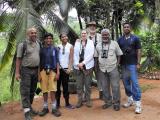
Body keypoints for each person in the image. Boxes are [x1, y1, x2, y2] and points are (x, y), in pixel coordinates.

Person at [94, 29, 123, 111]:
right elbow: (96, 57)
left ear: (109, 35)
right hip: (102, 69)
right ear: (101, 36)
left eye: (106, 35)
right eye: (103, 35)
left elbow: (119, 55)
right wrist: (96, 67)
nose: (105, 36)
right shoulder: (98, 45)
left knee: (115, 86)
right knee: (105, 87)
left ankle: (116, 103)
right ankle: (108, 102)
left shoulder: (114, 43)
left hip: (113, 68)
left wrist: (117, 65)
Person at [15, 27, 40, 120]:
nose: (34, 34)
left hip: (35, 70)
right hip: (26, 71)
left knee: (32, 91)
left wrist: (38, 73)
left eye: (35, 33)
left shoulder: (38, 44)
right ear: (28, 34)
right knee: (25, 91)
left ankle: (30, 108)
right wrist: (17, 73)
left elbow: (39, 59)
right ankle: (26, 113)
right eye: (32, 33)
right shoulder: (22, 45)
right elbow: (18, 59)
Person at [118, 22, 142, 114]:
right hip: (123, 65)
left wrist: (138, 63)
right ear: (123, 29)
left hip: (132, 64)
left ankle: (138, 104)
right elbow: (118, 52)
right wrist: (118, 63)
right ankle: (130, 99)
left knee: (135, 84)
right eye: (125, 27)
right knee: (126, 83)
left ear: (130, 28)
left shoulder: (135, 38)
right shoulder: (120, 39)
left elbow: (139, 51)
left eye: (128, 27)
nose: (126, 28)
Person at [38, 33, 61, 117]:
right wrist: (39, 74)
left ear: (52, 39)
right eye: (47, 38)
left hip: (53, 71)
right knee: (44, 90)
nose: (49, 40)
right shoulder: (41, 50)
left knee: (52, 90)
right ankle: (45, 107)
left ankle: (54, 108)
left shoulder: (55, 49)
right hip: (43, 71)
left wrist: (58, 72)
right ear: (44, 40)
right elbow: (39, 63)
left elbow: (58, 61)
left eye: (50, 38)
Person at [74, 29, 94, 108]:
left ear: (87, 34)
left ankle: (88, 100)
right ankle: (80, 100)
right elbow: (75, 54)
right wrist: (77, 64)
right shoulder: (77, 42)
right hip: (78, 67)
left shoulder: (90, 42)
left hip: (88, 66)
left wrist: (83, 63)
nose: (83, 35)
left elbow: (91, 54)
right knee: (79, 85)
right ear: (80, 34)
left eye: (85, 33)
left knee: (88, 84)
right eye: (82, 33)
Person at [56, 33, 75, 109]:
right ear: (60, 38)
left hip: (66, 69)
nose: (64, 37)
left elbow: (71, 58)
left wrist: (69, 68)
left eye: (65, 36)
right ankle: (57, 104)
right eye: (63, 37)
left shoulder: (70, 46)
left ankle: (67, 103)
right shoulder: (58, 46)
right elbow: (57, 59)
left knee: (65, 86)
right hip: (58, 69)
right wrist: (57, 69)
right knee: (57, 87)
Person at [86, 21, 103, 99]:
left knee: (99, 77)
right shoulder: (85, 36)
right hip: (88, 60)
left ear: (96, 27)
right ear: (88, 27)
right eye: (90, 26)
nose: (92, 27)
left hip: (98, 59)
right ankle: (87, 96)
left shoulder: (100, 36)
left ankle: (102, 94)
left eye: (94, 26)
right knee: (87, 77)